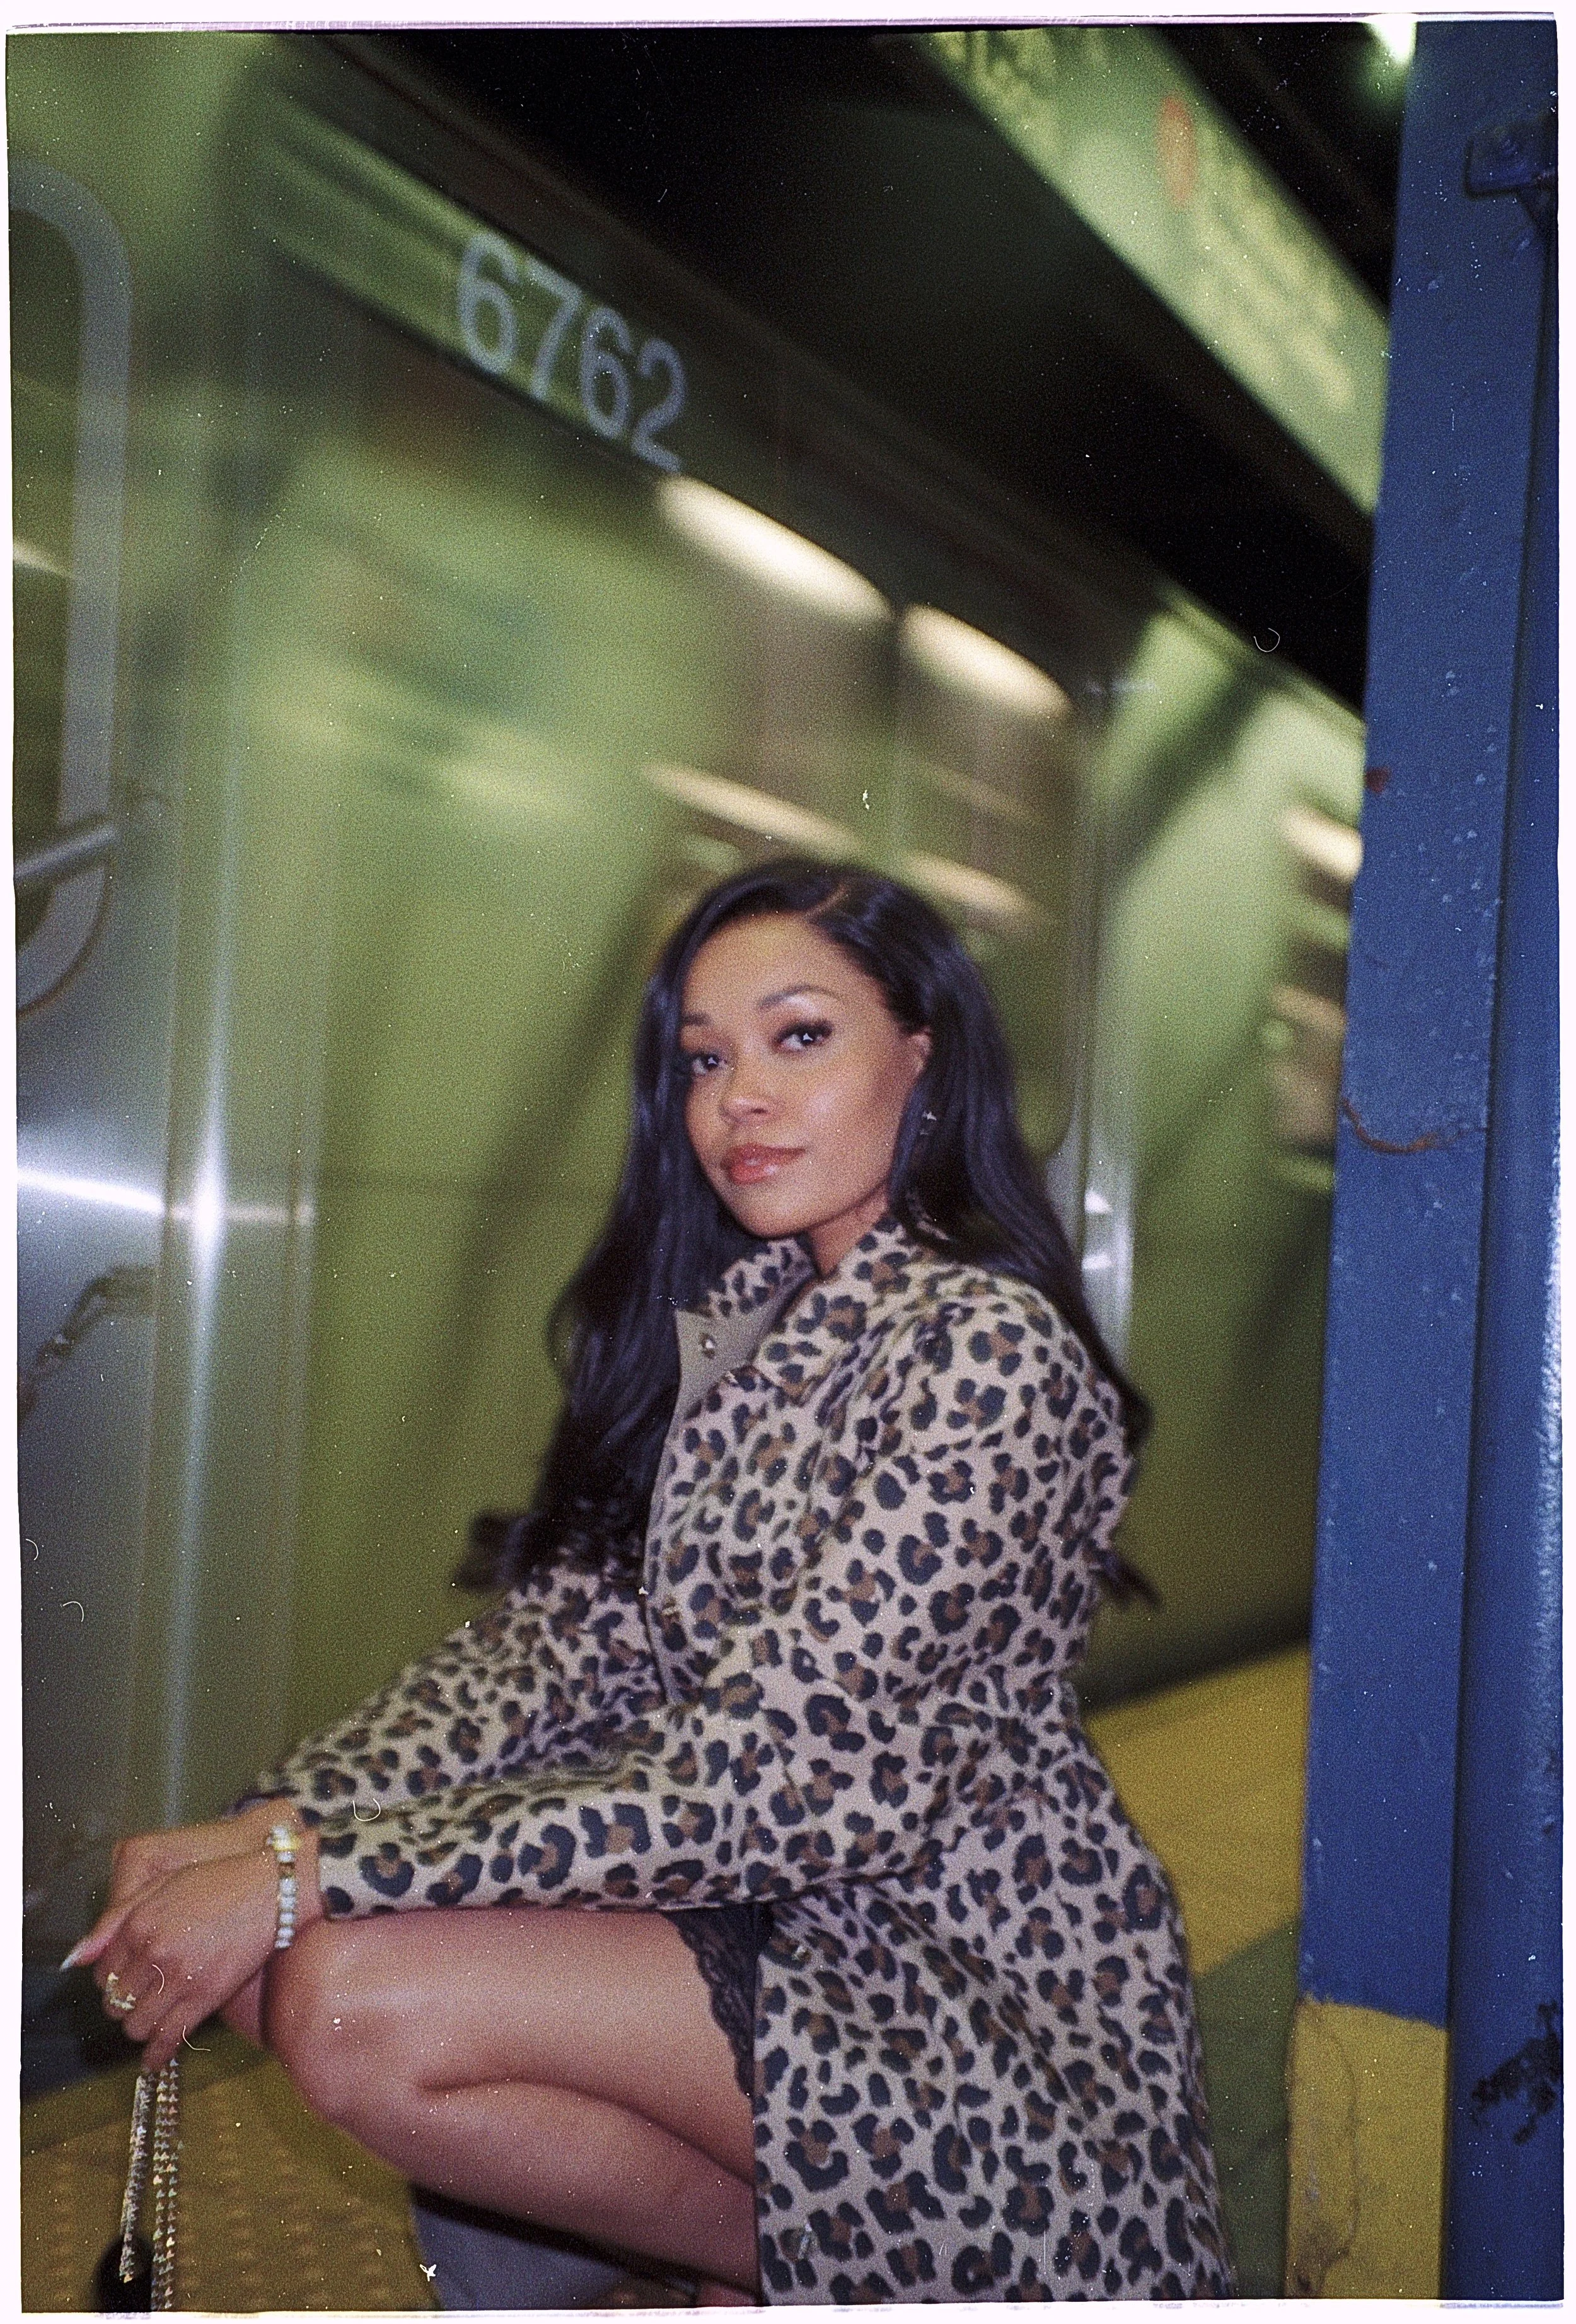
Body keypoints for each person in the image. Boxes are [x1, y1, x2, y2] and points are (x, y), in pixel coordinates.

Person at [67, 861, 1233, 2303]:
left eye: (798, 1035)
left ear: (919, 1058)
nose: (737, 1094)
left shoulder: (982, 1349)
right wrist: (277, 1817)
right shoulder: (739, 1324)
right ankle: (777, 2274)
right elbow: (565, 1650)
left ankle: (863, 2274)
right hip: (768, 1915)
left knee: (347, 1994)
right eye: (703, 1058)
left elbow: (773, 1776)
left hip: (948, 1976)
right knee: (264, 1966)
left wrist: (314, 1874)